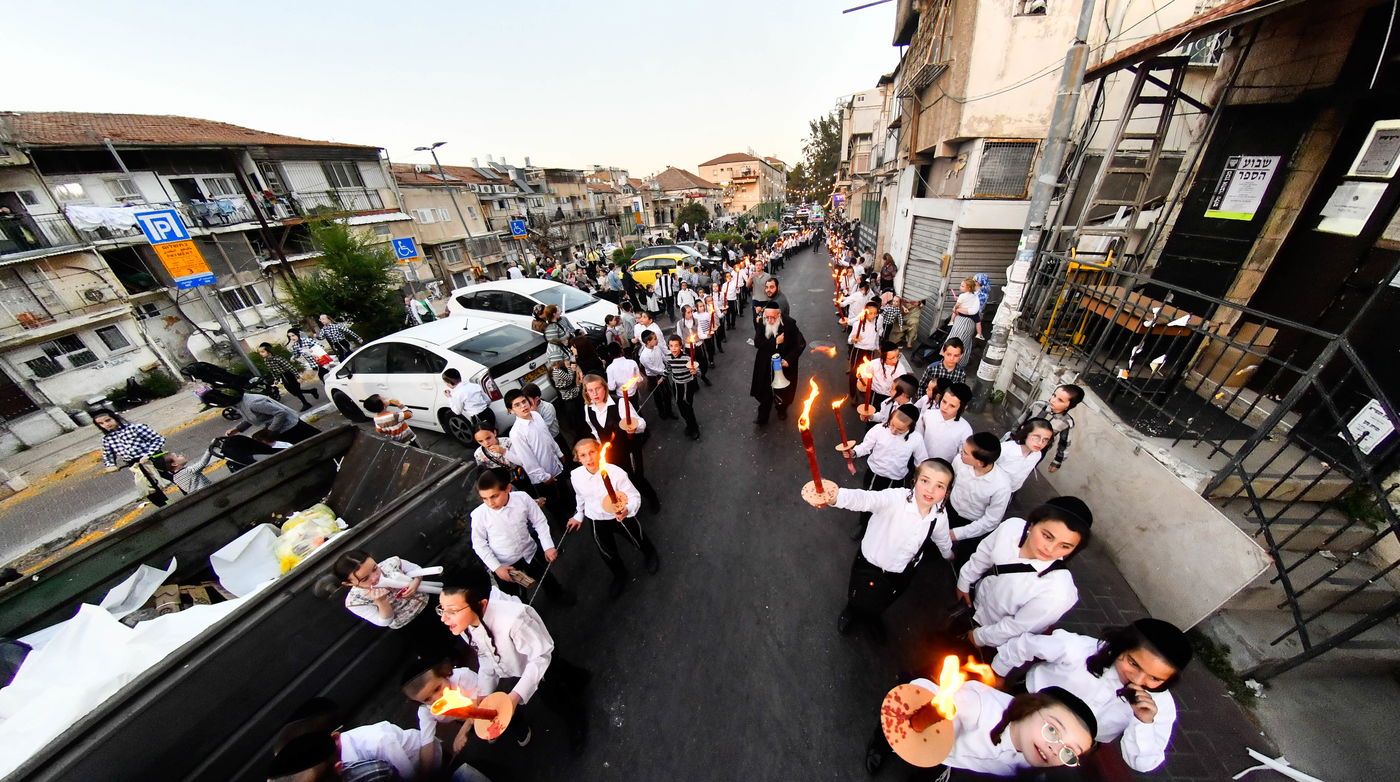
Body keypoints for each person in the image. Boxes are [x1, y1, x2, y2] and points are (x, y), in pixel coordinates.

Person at [991, 618, 1192, 773]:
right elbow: (1025, 645)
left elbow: (1143, 764)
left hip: (1066, 748)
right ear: (1122, 646)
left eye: (1155, 679)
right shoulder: (1079, 648)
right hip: (1022, 708)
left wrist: (1143, 723)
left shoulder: (1160, 706)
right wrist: (997, 674)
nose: (1139, 680)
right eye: (1133, 663)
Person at [437, 567, 590, 751]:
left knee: (553, 695)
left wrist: (514, 697)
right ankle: (580, 677)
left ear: (482, 604)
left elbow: (541, 657)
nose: (444, 619)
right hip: (522, 663)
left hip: (539, 661)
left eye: (452, 611)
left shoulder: (514, 620)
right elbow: (485, 657)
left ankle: (576, 718)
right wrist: (484, 694)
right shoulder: (466, 626)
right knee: (560, 672)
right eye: (441, 609)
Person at [810, 459, 954, 639]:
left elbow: (941, 537)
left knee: (887, 597)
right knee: (858, 592)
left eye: (939, 486)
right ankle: (852, 611)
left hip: (901, 571)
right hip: (870, 562)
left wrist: (948, 553)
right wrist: (835, 497)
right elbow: (866, 499)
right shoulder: (895, 499)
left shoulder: (939, 516)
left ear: (947, 492)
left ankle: (873, 616)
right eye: (925, 481)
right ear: (914, 480)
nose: (930, 490)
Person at [863, 682, 1098, 777]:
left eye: (1069, 753)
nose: (1054, 749)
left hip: (949, 762)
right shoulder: (978, 706)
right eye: (1053, 731)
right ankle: (881, 746)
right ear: (1033, 707)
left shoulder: (1032, 763)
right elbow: (923, 696)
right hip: (925, 734)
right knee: (896, 737)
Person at [955, 496, 1092, 650]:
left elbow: (1017, 627)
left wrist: (979, 637)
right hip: (973, 602)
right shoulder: (1012, 527)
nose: (1050, 549)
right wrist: (964, 581)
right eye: (1047, 536)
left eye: (1065, 546)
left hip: (992, 639)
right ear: (1032, 524)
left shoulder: (1058, 592)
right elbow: (983, 554)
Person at [566, 438, 659, 598]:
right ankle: (619, 574)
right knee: (606, 551)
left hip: (619, 516)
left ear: (599, 452)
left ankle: (650, 554)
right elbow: (580, 496)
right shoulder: (576, 476)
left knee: (637, 537)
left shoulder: (616, 473)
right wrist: (579, 515)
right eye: (583, 455)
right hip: (595, 518)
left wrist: (627, 510)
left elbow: (634, 496)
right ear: (578, 458)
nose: (589, 459)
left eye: (592, 452)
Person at [471, 470, 574, 604]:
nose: (490, 503)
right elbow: (479, 544)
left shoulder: (522, 498)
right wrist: (497, 568)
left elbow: (539, 522)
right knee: (514, 597)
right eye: (484, 498)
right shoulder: (479, 515)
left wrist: (548, 546)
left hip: (529, 551)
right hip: (505, 563)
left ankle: (557, 595)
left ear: (508, 488)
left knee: (545, 576)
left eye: (494, 496)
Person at [581, 373, 661, 512]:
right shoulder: (588, 408)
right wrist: (599, 448)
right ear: (586, 392)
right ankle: (630, 504)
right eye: (590, 390)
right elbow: (594, 430)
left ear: (605, 388)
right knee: (621, 479)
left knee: (637, 477)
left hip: (628, 449)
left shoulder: (620, 403)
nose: (595, 393)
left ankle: (652, 498)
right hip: (610, 453)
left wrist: (634, 427)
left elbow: (641, 423)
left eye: (598, 389)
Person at [503, 389, 570, 519]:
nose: (523, 406)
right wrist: (544, 477)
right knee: (552, 502)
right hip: (542, 475)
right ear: (510, 410)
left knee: (565, 491)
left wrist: (559, 453)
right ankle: (563, 524)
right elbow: (527, 460)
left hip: (554, 463)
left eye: (524, 402)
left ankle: (572, 511)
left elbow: (548, 437)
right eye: (517, 405)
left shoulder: (537, 415)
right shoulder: (516, 433)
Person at [947, 432, 1012, 563]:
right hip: (951, 509)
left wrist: (956, 534)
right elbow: (951, 481)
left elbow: (991, 521)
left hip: (974, 522)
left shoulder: (1002, 486)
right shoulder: (959, 461)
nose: (961, 453)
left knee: (965, 556)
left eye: (965, 452)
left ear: (980, 463)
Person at [94, 409, 169, 507]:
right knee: (145, 485)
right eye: (101, 423)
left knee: (166, 476)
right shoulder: (107, 439)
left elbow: (158, 439)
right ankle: (163, 505)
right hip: (134, 464)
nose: (106, 424)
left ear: (115, 418)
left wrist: (148, 454)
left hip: (152, 458)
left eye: (108, 420)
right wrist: (111, 465)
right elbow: (108, 454)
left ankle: (186, 491)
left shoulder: (136, 428)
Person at [749, 303, 806, 425]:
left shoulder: (789, 323)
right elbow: (757, 343)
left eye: (773, 317)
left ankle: (781, 410)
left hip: (783, 366)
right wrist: (775, 341)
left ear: (779, 315)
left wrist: (788, 360)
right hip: (765, 365)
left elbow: (800, 343)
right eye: (767, 317)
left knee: (783, 391)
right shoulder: (762, 322)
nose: (769, 320)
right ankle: (762, 417)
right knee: (765, 392)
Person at [202, 388, 321, 444]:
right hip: (280, 431)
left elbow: (280, 413)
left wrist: (270, 432)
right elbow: (252, 417)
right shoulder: (238, 404)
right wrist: (237, 429)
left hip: (292, 429)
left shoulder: (254, 403)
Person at [1016, 383, 1083, 474]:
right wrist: (1012, 436)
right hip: (1019, 441)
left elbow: (1064, 443)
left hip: (1038, 450)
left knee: (1021, 472)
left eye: (1060, 400)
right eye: (1054, 395)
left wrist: (1057, 461)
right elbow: (1021, 420)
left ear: (1069, 405)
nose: (1053, 400)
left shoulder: (1067, 422)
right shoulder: (1038, 405)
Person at [915, 381, 975, 463]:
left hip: (943, 469)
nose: (945, 407)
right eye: (944, 401)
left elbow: (961, 456)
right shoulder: (928, 415)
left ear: (964, 407)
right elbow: (918, 438)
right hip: (920, 461)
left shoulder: (965, 430)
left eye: (952, 405)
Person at [999, 417, 1054, 494]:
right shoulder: (1006, 449)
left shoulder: (1037, 455)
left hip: (1010, 491)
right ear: (1026, 434)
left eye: (1045, 440)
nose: (1040, 443)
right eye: (1036, 437)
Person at [259, 342, 318, 411]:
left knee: (296, 390)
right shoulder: (266, 360)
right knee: (293, 391)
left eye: (263, 351)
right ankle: (312, 391)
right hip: (282, 376)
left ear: (269, 351)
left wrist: (298, 377)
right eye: (260, 352)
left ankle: (306, 403)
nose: (261, 353)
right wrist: (276, 379)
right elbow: (273, 371)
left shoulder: (278, 359)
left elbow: (290, 367)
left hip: (289, 374)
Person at [664, 334, 701, 440]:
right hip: (676, 385)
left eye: (676, 346)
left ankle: (694, 428)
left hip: (687, 385)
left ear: (681, 346)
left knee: (688, 407)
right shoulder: (668, 358)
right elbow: (668, 369)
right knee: (680, 407)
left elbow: (698, 371)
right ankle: (689, 423)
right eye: (671, 346)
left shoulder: (687, 358)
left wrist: (695, 371)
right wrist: (662, 377)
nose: (674, 348)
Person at [847, 301, 881, 397]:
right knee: (854, 372)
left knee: (866, 372)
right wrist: (853, 339)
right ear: (865, 312)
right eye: (871, 313)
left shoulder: (877, 323)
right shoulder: (857, 324)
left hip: (870, 352)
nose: (873, 316)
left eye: (875, 313)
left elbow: (877, 337)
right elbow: (849, 340)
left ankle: (862, 386)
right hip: (858, 350)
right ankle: (853, 394)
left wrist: (877, 348)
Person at [637, 329, 673, 420]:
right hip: (654, 377)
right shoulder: (644, 356)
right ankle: (662, 412)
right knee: (658, 396)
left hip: (663, 372)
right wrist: (665, 372)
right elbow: (652, 368)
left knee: (668, 393)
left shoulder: (657, 347)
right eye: (655, 339)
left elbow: (663, 357)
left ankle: (669, 411)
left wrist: (669, 363)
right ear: (648, 342)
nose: (657, 340)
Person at [945, 278, 980, 368]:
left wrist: (956, 308)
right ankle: (959, 363)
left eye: (962, 286)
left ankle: (951, 363)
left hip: (963, 321)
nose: (960, 287)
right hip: (968, 322)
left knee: (955, 342)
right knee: (963, 343)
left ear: (968, 288)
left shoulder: (965, 296)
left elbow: (970, 311)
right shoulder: (974, 296)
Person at [154, 447, 218, 495]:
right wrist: (209, 449)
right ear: (174, 464)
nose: (181, 455)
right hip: (209, 492)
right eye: (178, 456)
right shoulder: (188, 471)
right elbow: (202, 463)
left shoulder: (175, 478)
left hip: (197, 496)